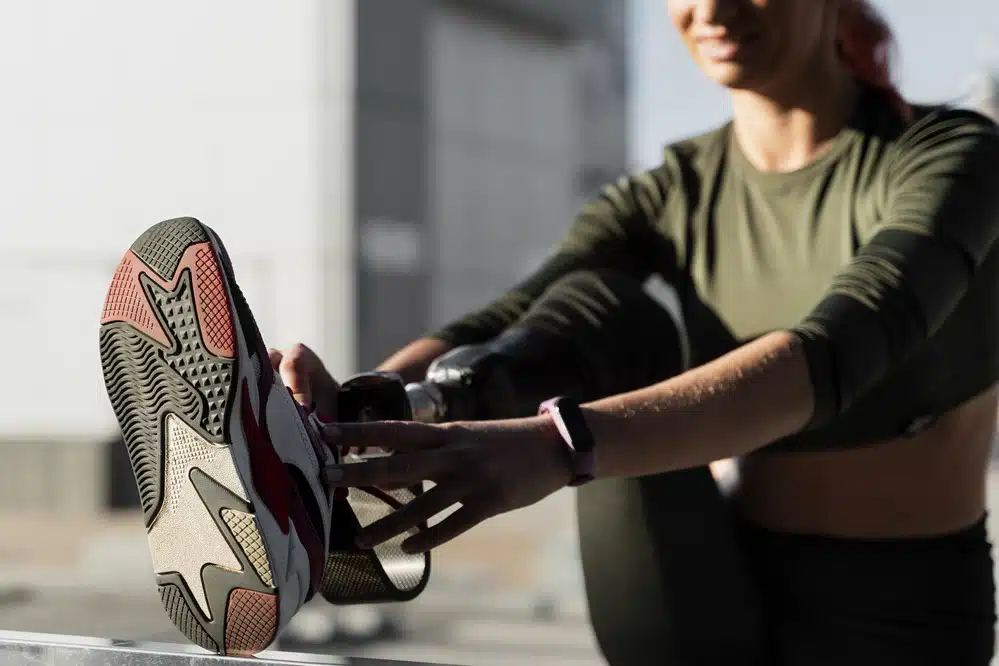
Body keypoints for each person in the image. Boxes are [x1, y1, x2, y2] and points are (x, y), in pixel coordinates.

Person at [273, 0, 999, 664]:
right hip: (704, 579)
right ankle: (334, 448)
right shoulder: (672, 187)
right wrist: (379, 393)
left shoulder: (948, 155)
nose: (710, 10)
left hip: (901, 616)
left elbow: (841, 348)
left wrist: (558, 446)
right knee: (602, 309)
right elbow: (515, 314)